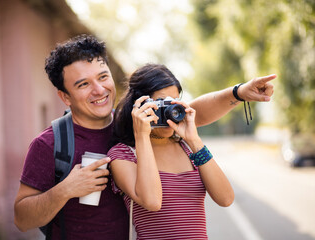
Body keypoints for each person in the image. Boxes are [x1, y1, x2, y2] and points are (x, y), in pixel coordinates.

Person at [14, 34, 275, 239]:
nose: (98, 89)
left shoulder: (137, 124)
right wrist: (65, 190)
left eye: (103, 77)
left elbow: (193, 111)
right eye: (83, 84)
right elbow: (22, 218)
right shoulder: (51, 143)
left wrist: (239, 92)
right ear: (65, 96)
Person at [107, 63, 272, 239]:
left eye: (174, 102)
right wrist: (141, 135)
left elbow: (225, 198)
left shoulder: (187, 148)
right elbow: (152, 201)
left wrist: (194, 141)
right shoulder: (123, 155)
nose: (170, 111)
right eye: (162, 103)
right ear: (139, 106)